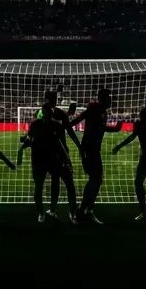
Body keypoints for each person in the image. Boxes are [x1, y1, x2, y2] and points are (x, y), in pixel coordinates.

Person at [19, 101, 78, 223]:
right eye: (45, 113)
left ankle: (56, 211)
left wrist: (66, 159)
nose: (47, 115)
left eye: (49, 113)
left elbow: (61, 143)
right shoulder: (36, 125)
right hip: (39, 160)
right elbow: (29, 137)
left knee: (58, 184)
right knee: (39, 189)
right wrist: (22, 146)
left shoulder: (56, 125)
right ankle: (43, 212)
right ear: (42, 113)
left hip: (53, 159)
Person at [70, 87, 122, 224]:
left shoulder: (102, 111)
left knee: (97, 179)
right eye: (109, 97)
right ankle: (81, 210)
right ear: (103, 98)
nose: (111, 100)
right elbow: (82, 119)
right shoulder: (94, 108)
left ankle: (86, 209)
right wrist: (66, 124)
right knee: (96, 178)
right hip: (89, 148)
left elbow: (100, 127)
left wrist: (115, 129)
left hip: (93, 149)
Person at [39, 89, 82, 218]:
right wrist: (79, 146)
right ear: (48, 99)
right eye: (54, 98)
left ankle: (55, 211)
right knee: (63, 182)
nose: (55, 100)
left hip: (54, 153)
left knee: (59, 182)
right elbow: (69, 130)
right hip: (57, 153)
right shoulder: (50, 114)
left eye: (55, 98)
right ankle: (68, 213)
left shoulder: (42, 114)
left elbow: (67, 129)